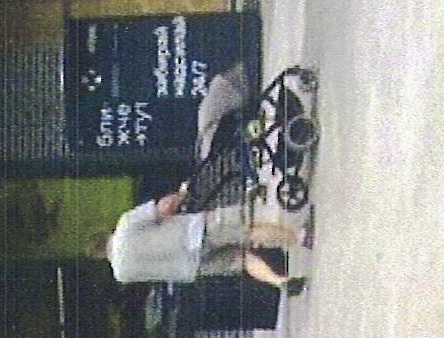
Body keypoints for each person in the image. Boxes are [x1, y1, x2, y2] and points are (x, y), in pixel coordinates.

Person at [103, 64, 304, 298]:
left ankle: (279, 281)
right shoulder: (125, 226)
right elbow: (165, 207)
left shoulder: (122, 274)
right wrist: (182, 193)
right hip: (194, 233)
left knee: (241, 259)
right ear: (106, 234)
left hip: (191, 268)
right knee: (249, 232)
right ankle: (298, 237)